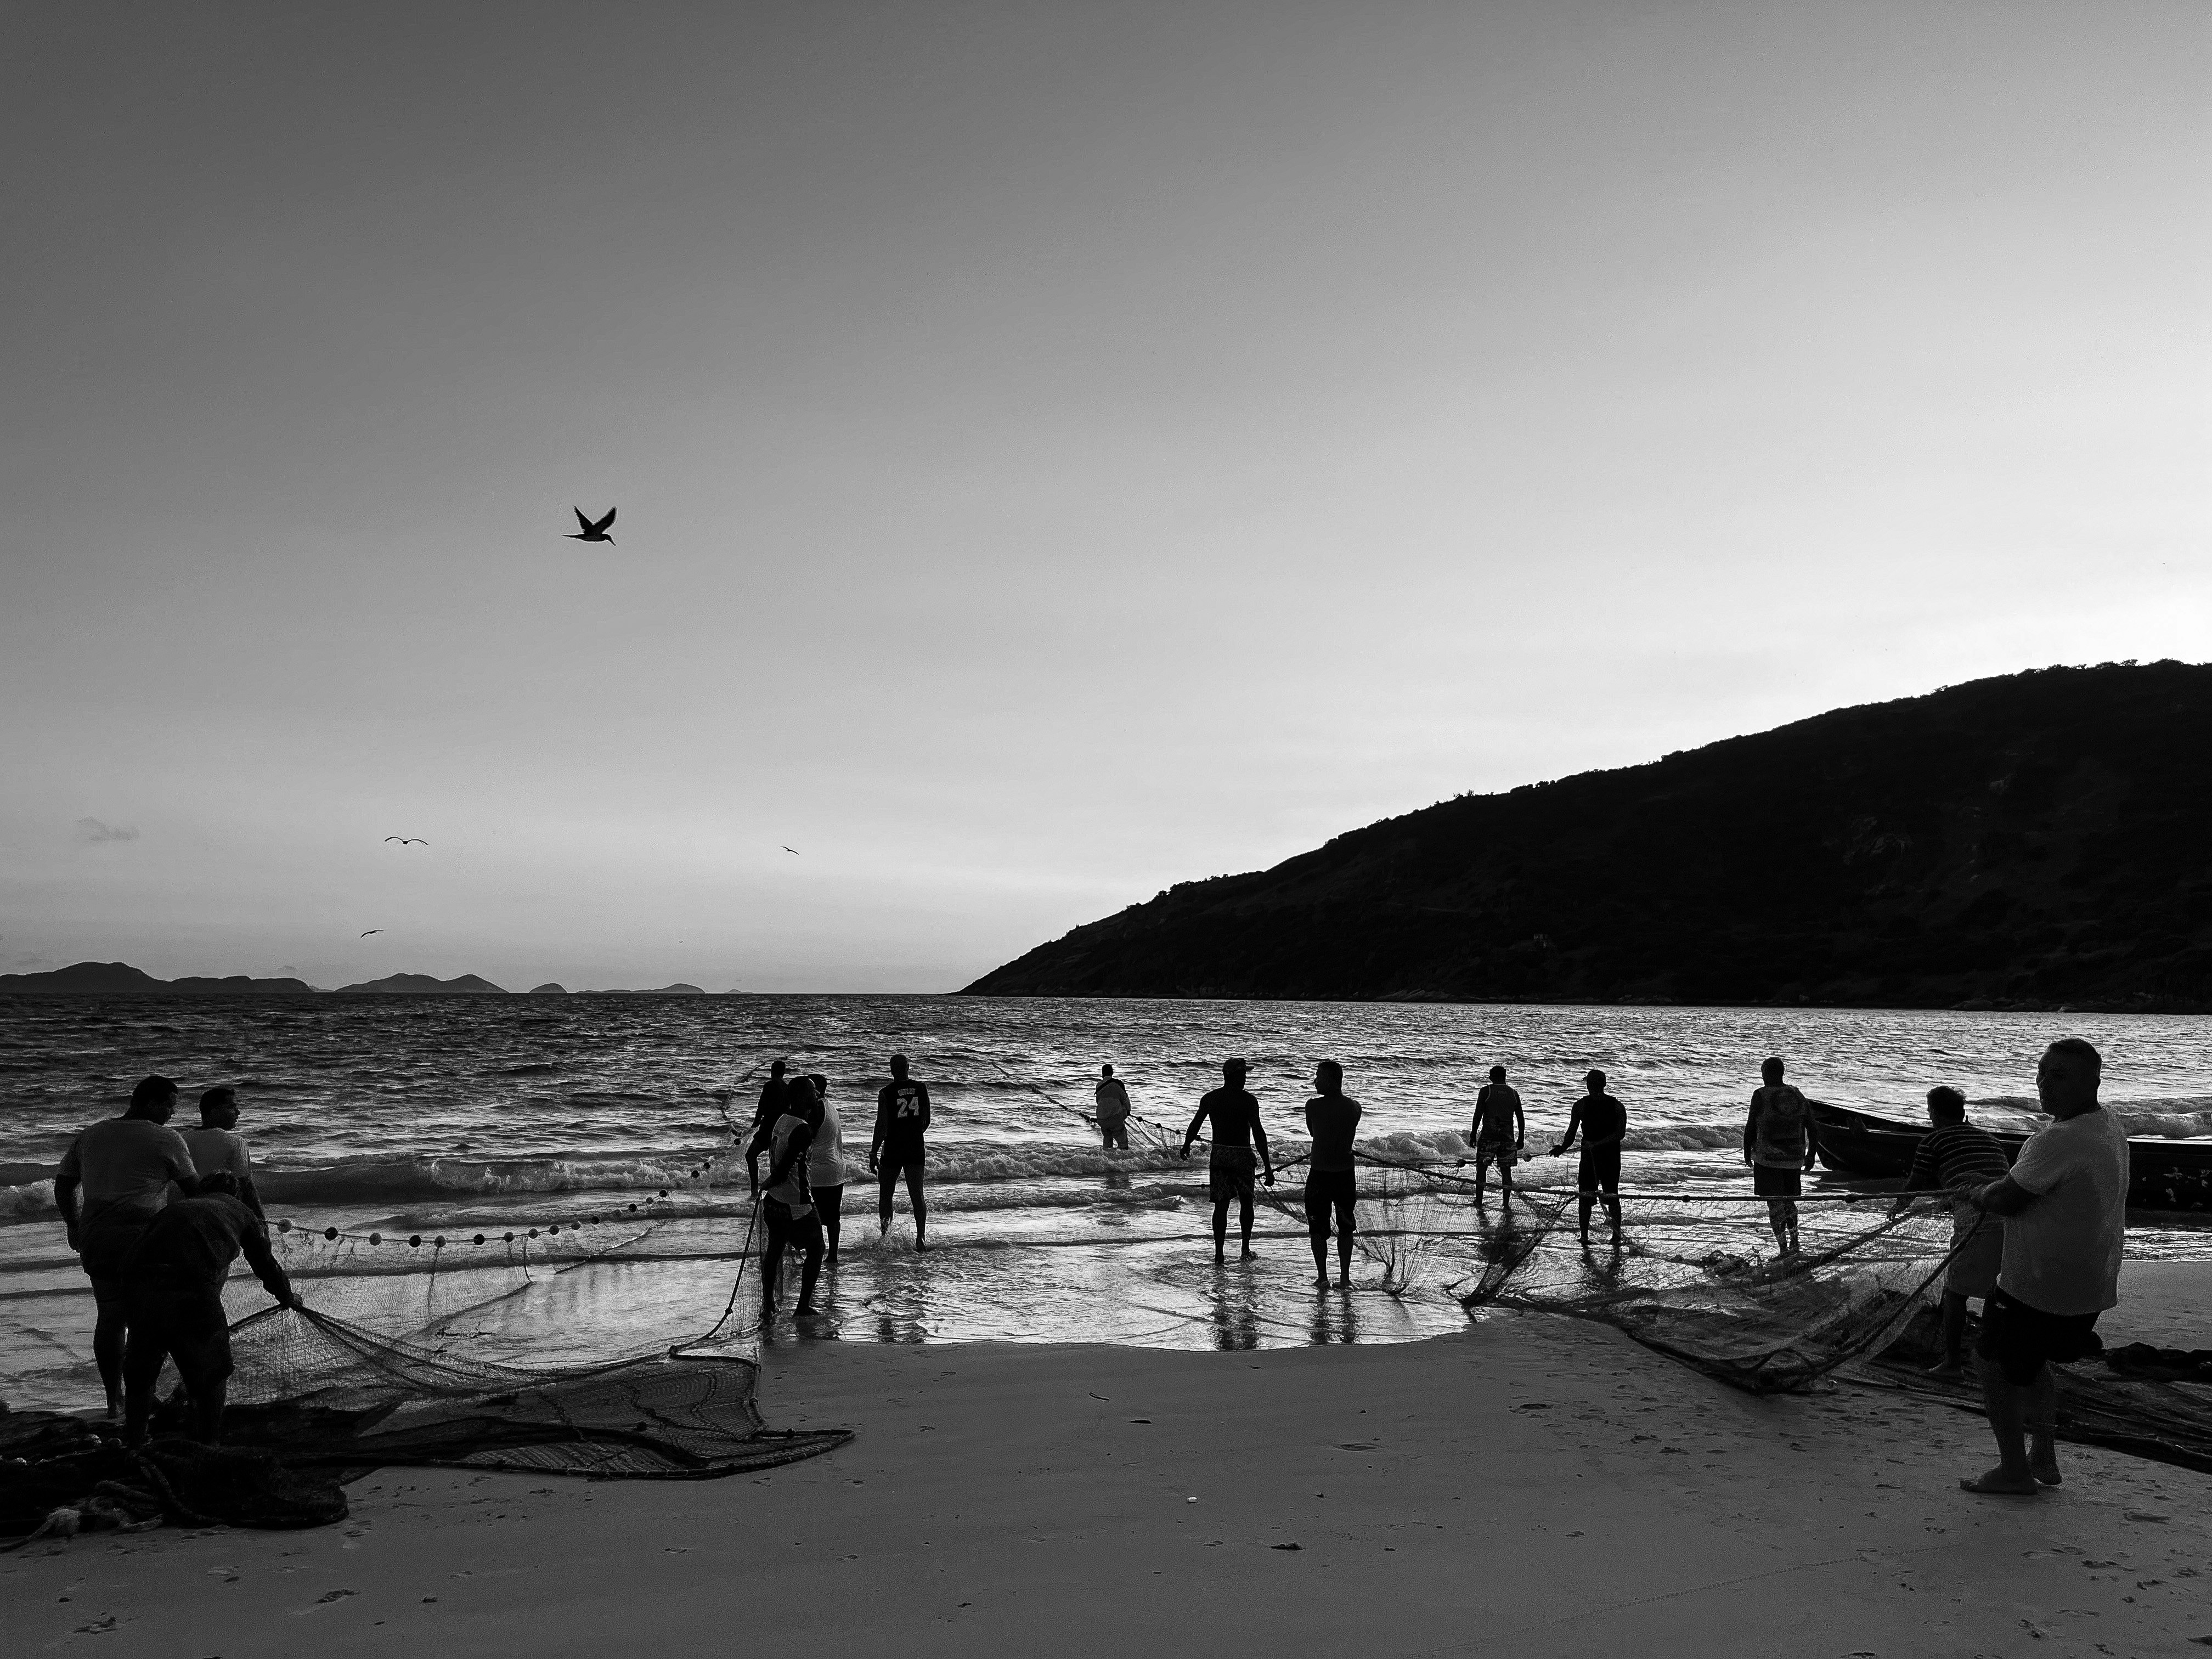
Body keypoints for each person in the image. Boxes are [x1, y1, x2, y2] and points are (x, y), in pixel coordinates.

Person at [1956, 1039, 2126, 1496]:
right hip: (2089, 1284)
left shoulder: (2058, 1139)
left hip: (2038, 1286)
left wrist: (1977, 1192)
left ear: (2093, 1081)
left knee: (1991, 1363)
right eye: (2042, 1073)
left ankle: (2014, 1472)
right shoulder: (2107, 1123)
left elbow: (2008, 1200)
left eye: (2061, 1076)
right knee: (2030, 1363)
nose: (2045, 1084)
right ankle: (2043, 1455)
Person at [54, 1075, 199, 1417]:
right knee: (150, 1319)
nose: (172, 1114)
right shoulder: (166, 1138)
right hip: (144, 1240)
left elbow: (64, 1184)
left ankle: (113, 1399)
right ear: (151, 1103)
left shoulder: (92, 1134)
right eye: (169, 1106)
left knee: (110, 1316)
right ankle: (142, 1396)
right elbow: (194, 1190)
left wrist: (73, 1224)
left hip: (98, 1236)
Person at [121, 1170, 299, 1446]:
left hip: (138, 1286)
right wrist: (287, 1295)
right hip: (191, 1288)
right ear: (236, 1194)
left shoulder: (176, 1208)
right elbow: (264, 1263)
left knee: (141, 1370)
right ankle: (208, 1444)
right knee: (212, 1373)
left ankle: (134, 1440)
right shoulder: (240, 1211)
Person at [1891, 1085, 2012, 1376]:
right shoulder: (1990, 1139)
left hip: (1977, 1215)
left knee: (1955, 1291)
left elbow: (1918, 1182)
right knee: (1997, 1291)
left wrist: (1899, 1207)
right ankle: (1992, 1355)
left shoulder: (1933, 1140)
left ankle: (1953, 1363)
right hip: (2010, 1214)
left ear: (1934, 1113)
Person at [1180, 1058, 1274, 1263]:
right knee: (1247, 1202)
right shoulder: (1249, 1101)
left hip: (1220, 1155)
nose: (1246, 1077)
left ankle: (1219, 1254)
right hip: (1242, 1156)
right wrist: (1267, 1166)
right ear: (1235, 1075)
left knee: (1221, 1205)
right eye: (1244, 1074)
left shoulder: (1211, 1098)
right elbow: (1258, 1133)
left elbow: (1195, 1124)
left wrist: (1187, 1145)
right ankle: (1245, 1249)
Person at [748, 1075, 825, 1317]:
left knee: (774, 1251)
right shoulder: (802, 1130)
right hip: (796, 1201)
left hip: (774, 1202)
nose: (817, 1095)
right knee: (817, 1247)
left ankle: (768, 1304)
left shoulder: (783, 1119)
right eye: (813, 1092)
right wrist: (770, 1181)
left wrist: (768, 1186)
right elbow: (784, 1170)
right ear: (803, 1098)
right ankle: (803, 1306)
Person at [1743, 1057, 1818, 1253]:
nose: (1762, 1075)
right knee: (1789, 1203)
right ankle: (1795, 1243)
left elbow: (1751, 1126)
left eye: (1762, 1072)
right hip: (1794, 1160)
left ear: (1767, 1073)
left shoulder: (1761, 1095)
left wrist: (1746, 1152)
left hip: (1768, 1161)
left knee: (1775, 1205)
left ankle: (1784, 1249)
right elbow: (1813, 1127)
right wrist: (1811, 1155)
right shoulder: (1797, 1095)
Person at [1302, 1060, 1361, 1289]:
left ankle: (1323, 1277)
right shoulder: (1355, 1107)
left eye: (1319, 1076)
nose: (1315, 1081)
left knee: (1317, 1228)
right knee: (1346, 1226)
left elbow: (1313, 1132)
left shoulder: (1312, 1106)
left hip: (1320, 1175)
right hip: (1345, 1174)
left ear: (1330, 1080)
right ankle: (1345, 1279)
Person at [1551, 1069, 1626, 1243]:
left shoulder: (1580, 1106)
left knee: (1586, 1197)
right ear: (1604, 1085)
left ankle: (1585, 1236)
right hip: (1610, 1158)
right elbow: (1619, 1134)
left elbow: (1571, 1134)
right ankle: (1615, 1236)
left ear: (1589, 1085)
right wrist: (1561, 1149)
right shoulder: (1617, 1106)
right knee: (1612, 1196)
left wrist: (1563, 1148)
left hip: (1592, 1157)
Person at [870, 1053, 932, 1251]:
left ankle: (886, 1236)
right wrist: (913, 1133)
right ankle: (921, 1237)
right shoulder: (921, 1088)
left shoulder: (886, 1093)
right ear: (908, 1067)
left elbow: (882, 1125)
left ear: (891, 1069)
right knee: (917, 1194)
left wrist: (873, 1153)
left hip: (893, 1148)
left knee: (886, 1194)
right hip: (915, 1147)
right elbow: (927, 1120)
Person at [177, 1086, 264, 1220]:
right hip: (221, 1216)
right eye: (231, 1107)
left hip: (182, 1213)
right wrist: (261, 1223)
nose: (238, 1112)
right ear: (214, 1111)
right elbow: (246, 1188)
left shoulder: (180, 1139)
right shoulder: (236, 1142)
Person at [1460, 1066, 1525, 1200]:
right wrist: (1521, 1138)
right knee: (1506, 1173)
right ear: (1505, 1077)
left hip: (1488, 1138)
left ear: (1491, 1078)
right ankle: (1506, 1204)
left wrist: (1473, 1134)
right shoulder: (1514, 1093)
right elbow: (1520, 1118)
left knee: (1482, 1170)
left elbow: (1478, 1114)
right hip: (1508, 1139)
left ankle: (1479, 1201)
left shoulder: (1486, 1091)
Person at [805, 1071, 848, 1266]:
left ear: (816, 1091)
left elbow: (806, 1137)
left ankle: (815, 1254)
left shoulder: (816, 1109)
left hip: (819, 1171)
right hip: (836, 1170)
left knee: (811, 1215)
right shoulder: (832, 1108)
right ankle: (833, 1256)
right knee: (833, 1217)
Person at [1094, 1064, 1133, 1151]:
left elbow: (1098, 1102)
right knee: (1123, 1146)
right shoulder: (1117, 1085)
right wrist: (1127, 1112)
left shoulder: (1098, 1086)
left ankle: (1106, 1161)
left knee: (1107, 1144)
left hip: (1102, 1119)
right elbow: (1126, 1100)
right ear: (1112, 1073)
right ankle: (1125, 1162)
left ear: (1102, 1074)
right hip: (1115, 1119)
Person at [751, 1060, 791, 1136]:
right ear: (783, 1073)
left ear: (772, 1071)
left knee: (754, 1148)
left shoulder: (770, 1085)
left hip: (768, 1125)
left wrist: (755, 1124)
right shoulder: (787, 1087)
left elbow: (761, 1106)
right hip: (781, 1125)